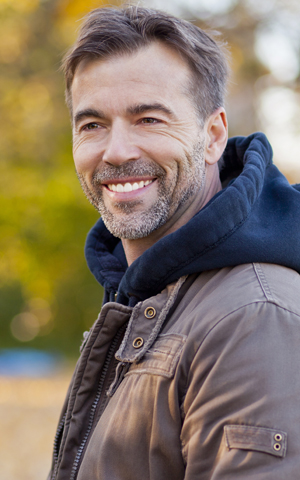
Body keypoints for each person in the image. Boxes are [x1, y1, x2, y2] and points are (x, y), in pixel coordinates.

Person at [49, 5, 300, 480]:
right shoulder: (147, 293)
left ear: (213, 136)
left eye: (149, 119)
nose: (116, 150)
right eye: (92, 125)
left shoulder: (253, 315)